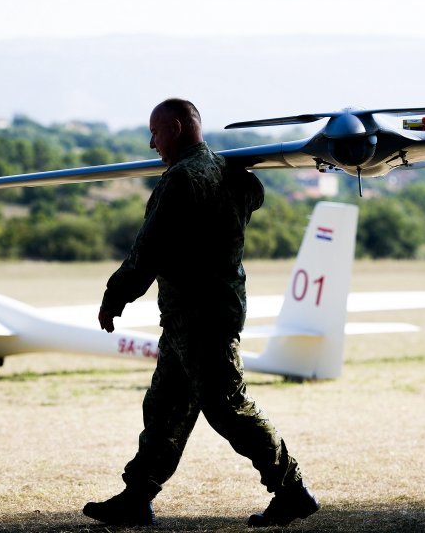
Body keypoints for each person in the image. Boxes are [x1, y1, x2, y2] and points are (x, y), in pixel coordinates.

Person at [82, 98, 320, 527]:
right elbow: (256, 195)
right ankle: (137, 496)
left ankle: (292, 489)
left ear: (174, 127)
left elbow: (148, 249)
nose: (152, 143)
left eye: (155, 132)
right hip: (199, 314)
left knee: (228, 406)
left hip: (200, 316)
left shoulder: (181, 179)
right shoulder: (229, 173)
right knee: (165, 405)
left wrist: (115, 295)